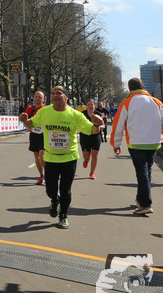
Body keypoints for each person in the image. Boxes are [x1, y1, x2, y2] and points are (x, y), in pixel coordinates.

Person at [20, 86, 104, 229]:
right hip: (51, 157)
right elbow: (32, 124)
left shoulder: (75, 114)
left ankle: (63, 216)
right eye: (53, 93)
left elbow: (91, 130)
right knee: (50, 190)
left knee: (66, 190)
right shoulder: (45, 112)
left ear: (66, 97)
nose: (55, 95)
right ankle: (54, 200)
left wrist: (98, 125)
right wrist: (24, 120)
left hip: (69, 158)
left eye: (59, 93)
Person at [110, 78, 163, 216]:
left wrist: (116, 144)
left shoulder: (126, 102)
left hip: (136, 142)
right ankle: (140, 199)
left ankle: (145, 204)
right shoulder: (156, 101)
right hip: (154, 141)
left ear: (129, 89)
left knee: (142, 172)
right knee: (146, 171)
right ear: (143, 87)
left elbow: (118, 125)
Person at [79, 99, 105, 180]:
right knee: (86, 156)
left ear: (94, 105)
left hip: (96, 136)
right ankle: (86, 160)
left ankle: (92, 173)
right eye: (88, 105)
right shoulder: (82, 114)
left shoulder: (98, 114)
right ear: (86, 106)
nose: (90, 106)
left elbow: (103, 125)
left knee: (95, 154)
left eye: (92, 105)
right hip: (85, 136)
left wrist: (100, 127)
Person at [25, 90, 47, 184]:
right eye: (36, 97)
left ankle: (48, 174)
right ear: (33, 98)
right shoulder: (30, 108)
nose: (38, 98)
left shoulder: (46, 109)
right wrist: (27, 126)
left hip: (44, 135)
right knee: (37, 157)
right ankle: (42, 176)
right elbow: (26, 121)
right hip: (34, 134)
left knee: (42, 156)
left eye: (40, 97)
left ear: (43, 99)